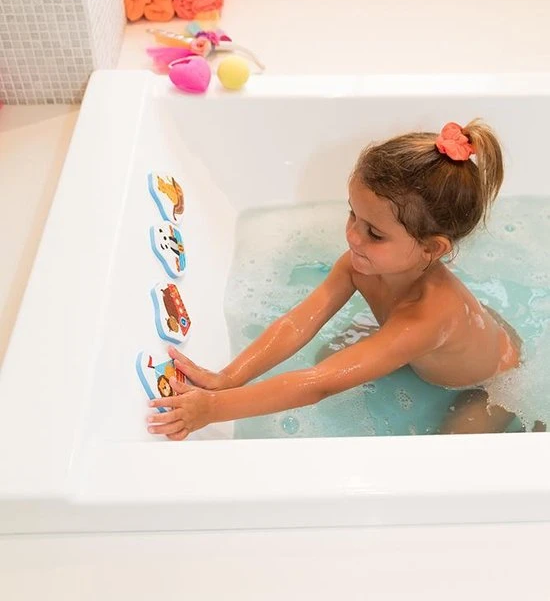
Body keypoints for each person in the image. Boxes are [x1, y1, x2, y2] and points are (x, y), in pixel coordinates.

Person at [147, 120, 535, 441]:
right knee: (327, 354)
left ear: (431, 249)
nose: (352, 237)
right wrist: (228, 377)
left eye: (374, 233)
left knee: (448, 452)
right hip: (455, 340)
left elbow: (320, 385)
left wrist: (213, 409)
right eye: (353, 215)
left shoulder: (427, 319)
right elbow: (297, 323)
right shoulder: (360, 264)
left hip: (491, 381)